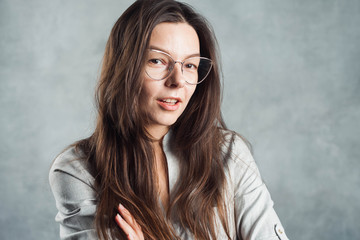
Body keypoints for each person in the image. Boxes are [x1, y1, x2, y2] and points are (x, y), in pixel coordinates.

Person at [49, 0, 289, 239]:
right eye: (158, 61)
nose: (178, 80)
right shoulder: (77, 170)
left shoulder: (230, 153)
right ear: (124, 67)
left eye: (190, 65)